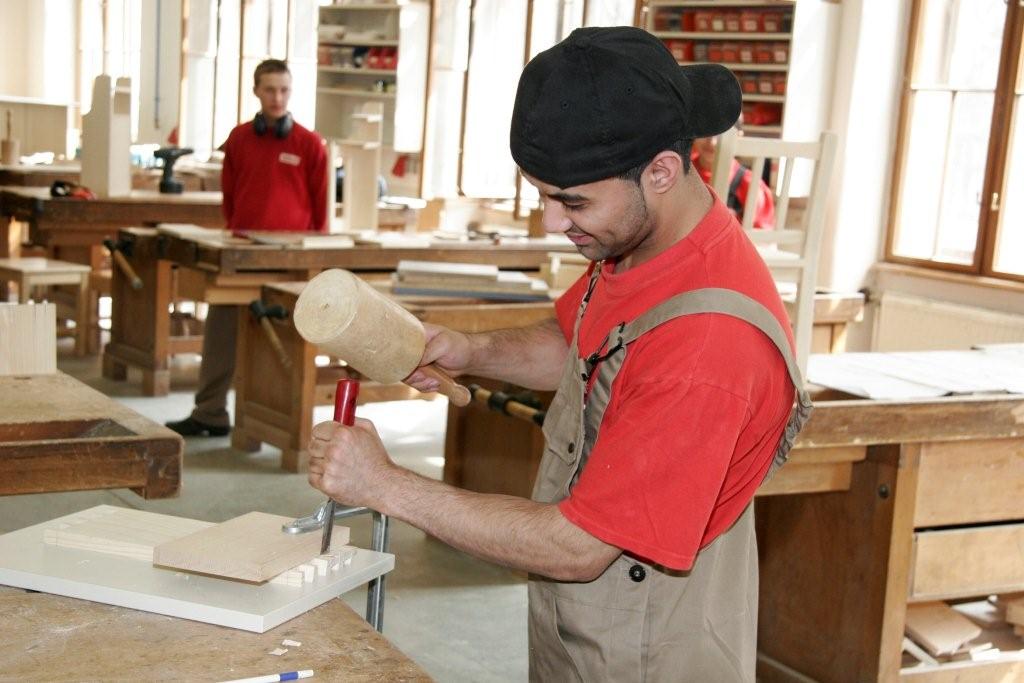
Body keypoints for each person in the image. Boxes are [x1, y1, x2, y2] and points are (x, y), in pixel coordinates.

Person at [307, 27, 811, 681]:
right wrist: (469, 351)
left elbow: (577, 546)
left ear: (661, 171)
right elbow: (580, 344)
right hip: (591, 619)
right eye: (542, 194)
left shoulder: (708, 345)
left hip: (651, 648)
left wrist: (383, 485)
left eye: (571, 200)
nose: (551, 221)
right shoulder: (641, 237)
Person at [167, 59, 327, 437]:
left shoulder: (309, 143)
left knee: (281, 338)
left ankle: (276, 422)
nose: (277, 97)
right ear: (256, 91)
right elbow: (230, 195)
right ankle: (209, 412)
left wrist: (313, 256)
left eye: (284, 90)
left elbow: (321, 208)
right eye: (270, 89)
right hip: (241, 252)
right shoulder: (238, 139)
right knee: (221, 330)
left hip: (290, 259)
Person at [692, 131, 776, 229]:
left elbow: (761, 234)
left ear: (738, 136)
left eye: (721, 133)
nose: (712, 142)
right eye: (705, 131)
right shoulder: (680, 172)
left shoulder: (751, 184)